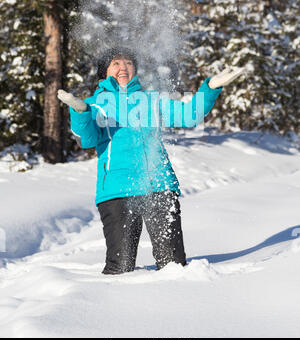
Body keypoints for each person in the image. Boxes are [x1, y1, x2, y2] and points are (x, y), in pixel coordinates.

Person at [57, 47, 244, 275]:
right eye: (116, 63)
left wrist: (211, 87)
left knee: (173, 265)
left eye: (128, 62)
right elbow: (87, 139)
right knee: (120, 267)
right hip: (117, 191)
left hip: (158, 185)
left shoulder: (151, 100)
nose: (123, 67)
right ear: (104, 71)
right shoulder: (95, 104)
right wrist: (80, 111)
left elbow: (190, 115)